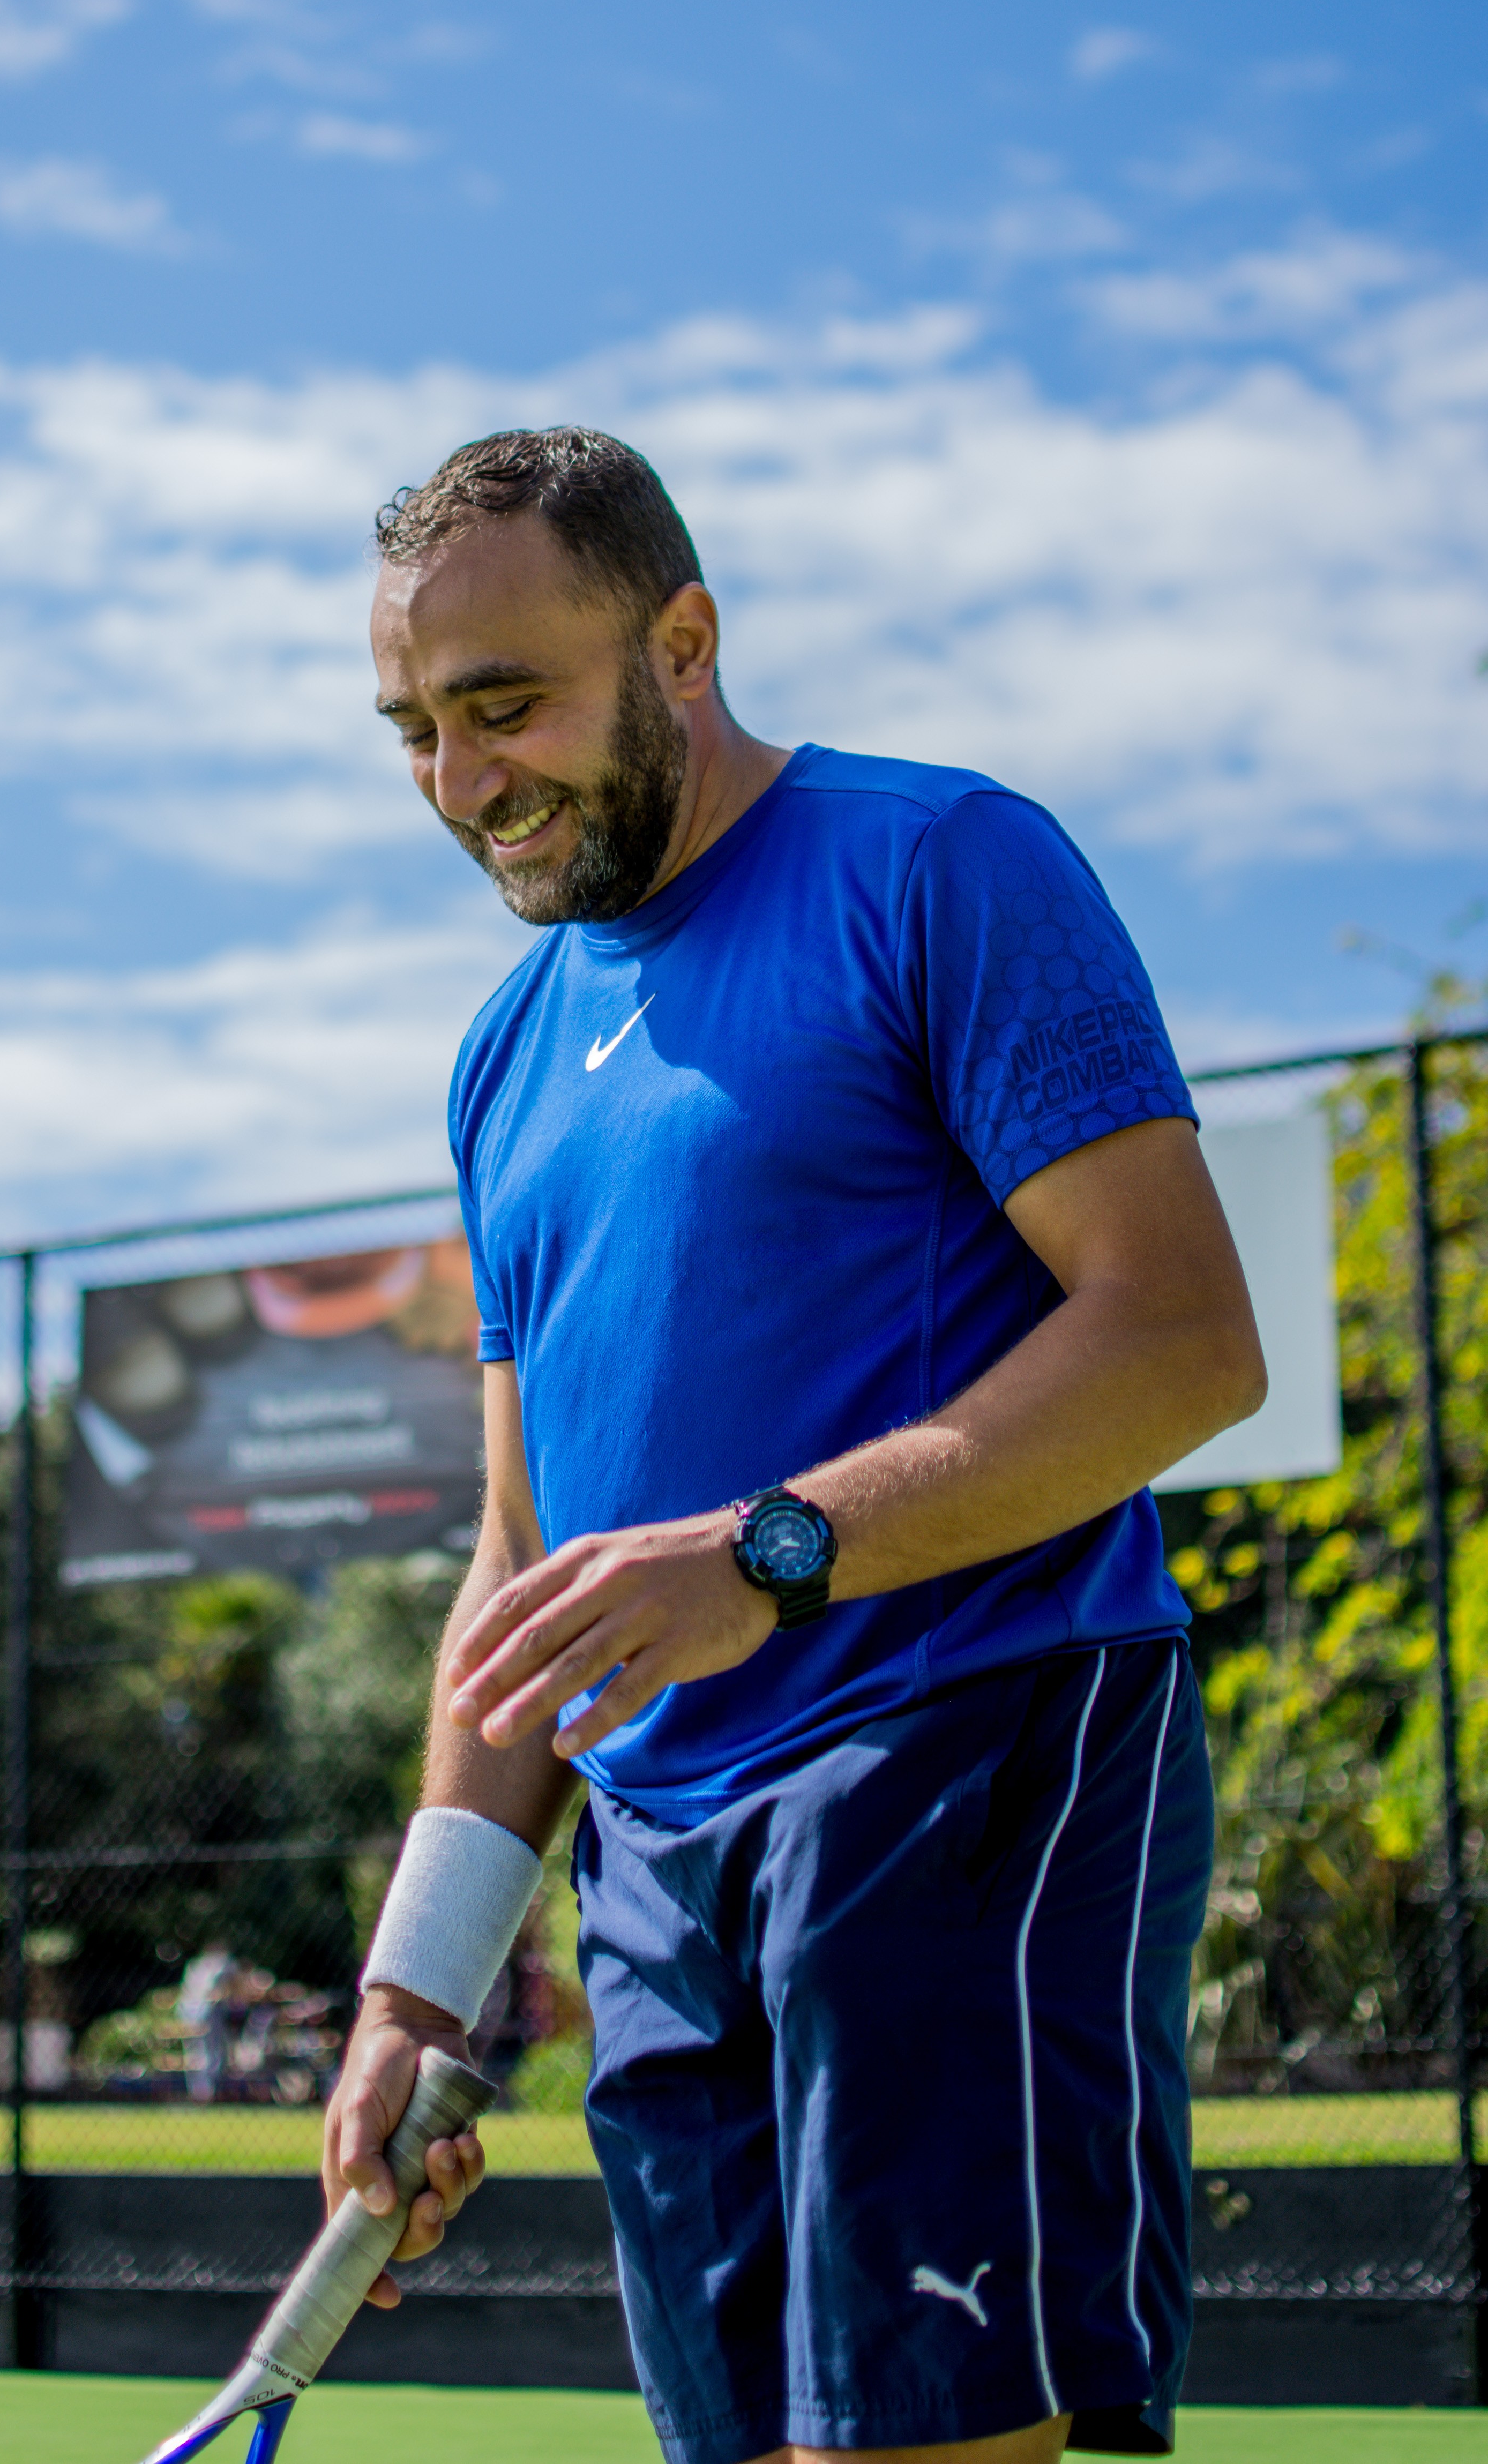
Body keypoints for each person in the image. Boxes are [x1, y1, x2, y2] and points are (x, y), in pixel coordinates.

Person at [321, 428, 1265, 2464]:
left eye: (506, 705)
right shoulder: (501, 1056)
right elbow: (521, 1558)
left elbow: (1182, 1339)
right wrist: (422, 1986)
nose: (460, 782)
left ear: (684, 639)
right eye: (411, 729)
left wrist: (759, 1555)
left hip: (963, 1756)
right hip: (654, 1860)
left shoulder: (942, 863)